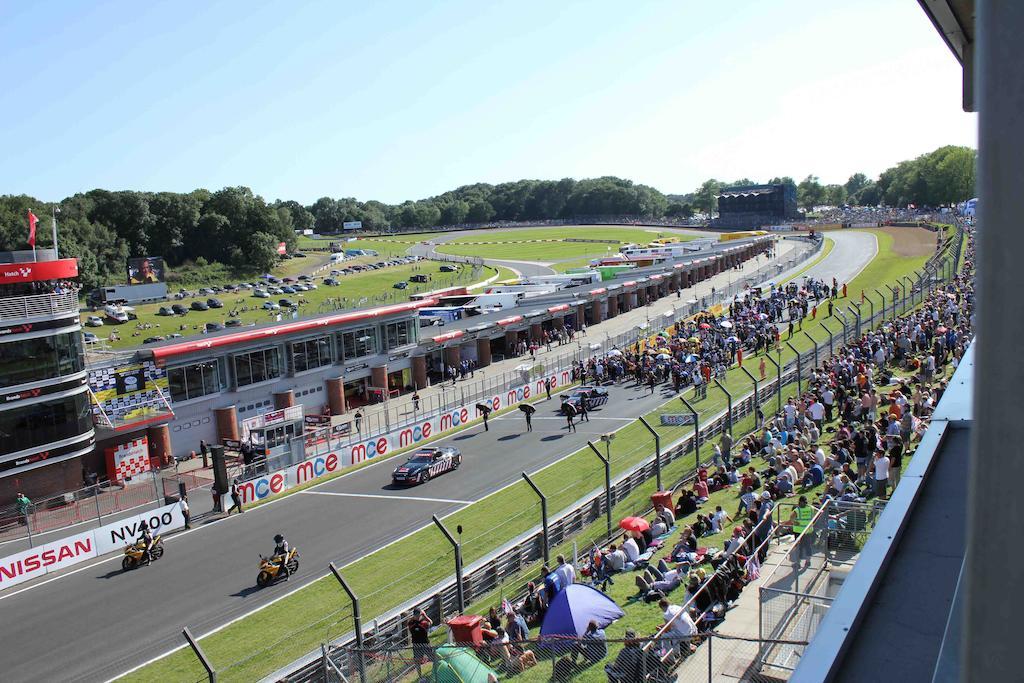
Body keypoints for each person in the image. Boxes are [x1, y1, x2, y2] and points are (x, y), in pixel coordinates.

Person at [408, 608, 433, 676]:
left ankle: (420, 676)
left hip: (416, 645)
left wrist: (413, 617)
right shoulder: (424, 623)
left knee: (417, 661)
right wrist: (425, 615)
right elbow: (431, 622)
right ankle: (434, 672)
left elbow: (410, 621)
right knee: (432, 658)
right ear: (421, 614)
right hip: (425, 644)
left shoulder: (411, 624)